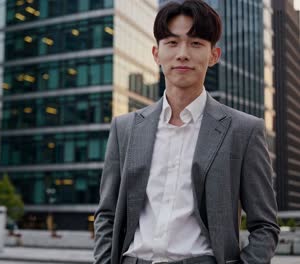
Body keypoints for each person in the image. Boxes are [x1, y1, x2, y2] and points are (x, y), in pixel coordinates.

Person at [93, 1, 280, 264]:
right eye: (172, 43)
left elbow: (265, 226)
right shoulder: (125, 129)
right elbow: (107, 214)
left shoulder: (243, 130)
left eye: (195, 43)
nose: (182, 54)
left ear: (214, 55)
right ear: (156, 54)